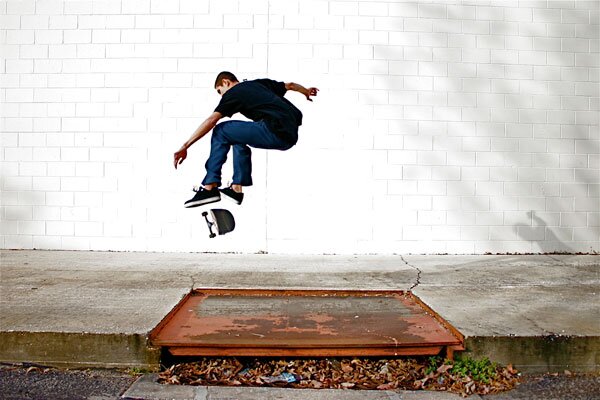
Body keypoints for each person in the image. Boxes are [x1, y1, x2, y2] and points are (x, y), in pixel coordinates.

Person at [174, 71, 319, 207]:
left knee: (220, 130)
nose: (221, 96)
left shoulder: (233, 93)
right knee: (236, 136)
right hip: (290, 134)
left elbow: (212, 120)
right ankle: (236, 189)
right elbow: (291, 85)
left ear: (226, 82)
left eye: (220, 91)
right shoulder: (258, 83)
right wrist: (306, 91)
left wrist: (185, 146)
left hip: (273, 130)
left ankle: (209, 187)